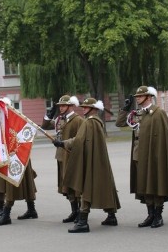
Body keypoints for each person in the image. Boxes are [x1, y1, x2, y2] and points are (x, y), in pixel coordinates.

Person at [116, 85, 168, 228]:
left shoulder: (158, 113)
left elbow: (164, 137)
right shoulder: (137, 113)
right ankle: (150, 214)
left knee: (155, 183)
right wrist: (125, 109)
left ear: (149, 97)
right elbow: (120, 123)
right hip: (139, 154)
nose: (137, 98)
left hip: (153, 155)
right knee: (144, 184)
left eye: (140, 96)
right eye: (137, 96)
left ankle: (158, 215)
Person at [55, 97, 121, 232]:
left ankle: (83, 222)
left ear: (94, 109)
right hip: (98, 160)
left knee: (87, 187)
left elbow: (79, 141)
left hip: (91, 160)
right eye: (83, 106)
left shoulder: (89, 123)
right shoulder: (96, 122)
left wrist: (63, 143)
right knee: (104, 186)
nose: (83, 108)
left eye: (86, 107)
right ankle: (111, 216)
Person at [42, 95, 84, 223]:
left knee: (74, 184)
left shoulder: (78, 120)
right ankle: (74, 211)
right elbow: (45, 126)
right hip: (61, 155)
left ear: (71, 106)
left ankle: (80, 212)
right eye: (60, 106)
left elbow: (80, 139)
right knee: (66, 184)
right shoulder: (60, 119)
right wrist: (48, 116)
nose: (61, 108)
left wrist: (65, 144)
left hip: (72, 155)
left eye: (64, 105)